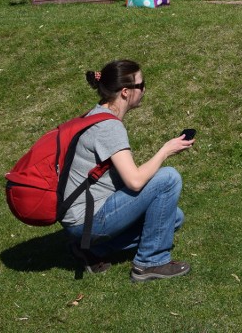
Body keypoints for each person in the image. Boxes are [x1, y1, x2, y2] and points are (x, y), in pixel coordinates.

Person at [61, 60, 195, 282]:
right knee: (168, 178)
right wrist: (165, 151)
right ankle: (151, 263)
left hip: (78, 217)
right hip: (87, 220)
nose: (143, 91)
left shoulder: (95, 114)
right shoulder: (109, 127)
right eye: (141, 86)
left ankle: (92, 250)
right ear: (125, 92)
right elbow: (134, 181)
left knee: (173, 218)